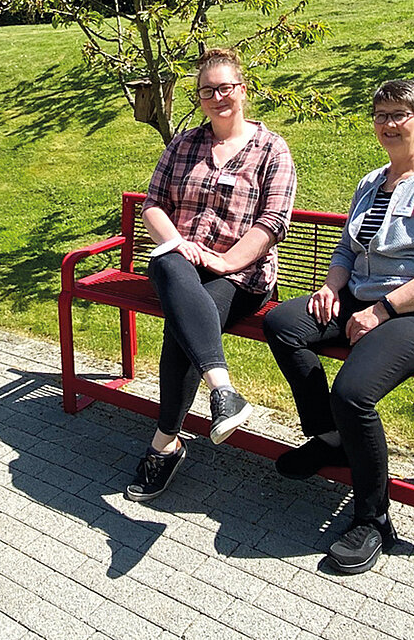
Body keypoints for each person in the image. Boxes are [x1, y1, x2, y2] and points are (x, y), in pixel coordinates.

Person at [263, 79, 414, 574]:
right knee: (283, 325)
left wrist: (383, 311)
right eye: (380, 115)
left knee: (353, 393)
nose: (388, 124)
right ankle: (330, 439)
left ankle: (373, 518)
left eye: (400, 114)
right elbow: (345, 252)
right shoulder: (370, 182)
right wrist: (332, 288)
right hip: (356, 301)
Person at [125, 48, 298, 502]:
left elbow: (272, 223)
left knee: (182, 329)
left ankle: (165, 443)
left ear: (243, 90)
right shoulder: (183, 145)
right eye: (207, 90)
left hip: (240, 278)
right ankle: (222, 389)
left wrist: (225, 262)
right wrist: (179, 245)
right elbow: (154, 205)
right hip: (181, 268)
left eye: (226, 88)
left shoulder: (271, 149)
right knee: (166, 261)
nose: (218, 97)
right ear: (198, 98)